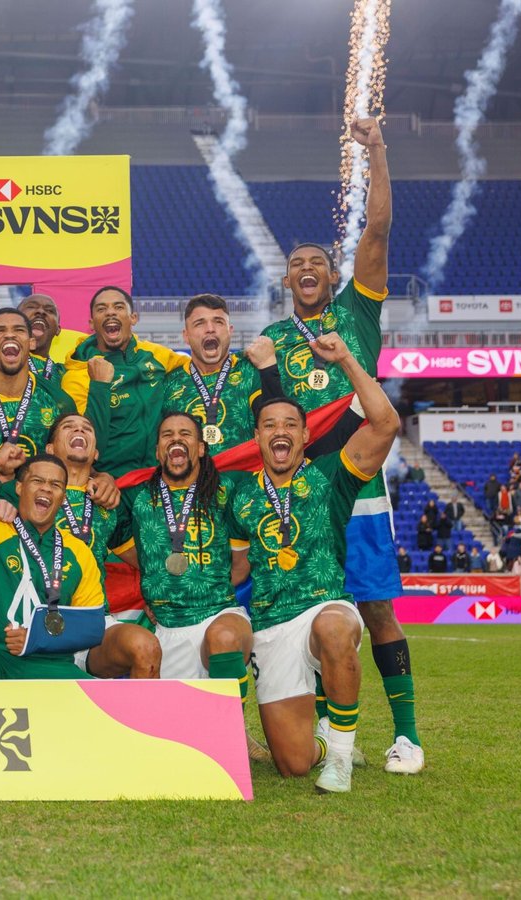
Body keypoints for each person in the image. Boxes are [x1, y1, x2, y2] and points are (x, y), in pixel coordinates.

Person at [259, 119, 418, 774]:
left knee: (376, 607)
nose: (305, 271)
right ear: (286, 280)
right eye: (295, 265)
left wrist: (376, 151)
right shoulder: (272, 335)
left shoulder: (356, 312)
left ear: (331, 275)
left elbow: (376, 231)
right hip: (297, 494)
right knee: (311, 607)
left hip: (356, 487)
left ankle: (406, 734)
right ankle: (329, 726)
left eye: (316, 264)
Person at [224, 332, 399, 793]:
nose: (279, 431)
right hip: (269, 623)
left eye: (289, 424)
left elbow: (384, 425)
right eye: (268, 424)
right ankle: (324, 743)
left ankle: (339, 759)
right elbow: (237, 568)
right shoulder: (240, 495)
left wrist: (345, 359)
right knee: (293, 764)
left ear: (304, 435)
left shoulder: (331, 475)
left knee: (336, 630)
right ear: (257, 435)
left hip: (325, 608)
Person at [109, 412, 253, 699]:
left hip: (219, 614)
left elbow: (243, 561)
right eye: (167, 434)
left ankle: (233, 735)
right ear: (158, 451)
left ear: (200, 448)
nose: (176, 438)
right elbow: (133, 552)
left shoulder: (229, 488)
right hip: (165, 626)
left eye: (185, 433)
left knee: (223, 638)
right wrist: (161, 582)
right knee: (170, 726)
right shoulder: (136, 497)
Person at [0, 453, 106, 679]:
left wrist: (36, 637)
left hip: (51, 664)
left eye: (55, 485)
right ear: (19, 488)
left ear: (63, 497)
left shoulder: (78, 551)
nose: (46, 488)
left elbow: (92, 627)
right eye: (37, 481)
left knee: (97, 705)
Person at [0, 308, 99, 471]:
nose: (9, 335)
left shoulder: (59, 401)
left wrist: (100, 476)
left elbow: (74, 463)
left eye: (19, 330)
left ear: (31, 342)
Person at [66, 286, 189, 477]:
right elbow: (85, 444)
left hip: (158, 479)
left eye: (119, 307)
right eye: (101, 309)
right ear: (92, 323)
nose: (110, 312)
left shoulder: (157, 355)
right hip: (111, 484)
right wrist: (100, 387)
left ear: (133, 318)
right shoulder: (77, 375)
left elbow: (202, 368)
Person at [158, 295, 286, 455]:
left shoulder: (249, 368)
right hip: (190, 479)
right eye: (200, 323)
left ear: (230, 331)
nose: (210, 328)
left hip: (245, 477)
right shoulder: (169, 383)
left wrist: (268, 367)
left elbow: (276, 420)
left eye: (218, 322)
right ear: (186, 336)